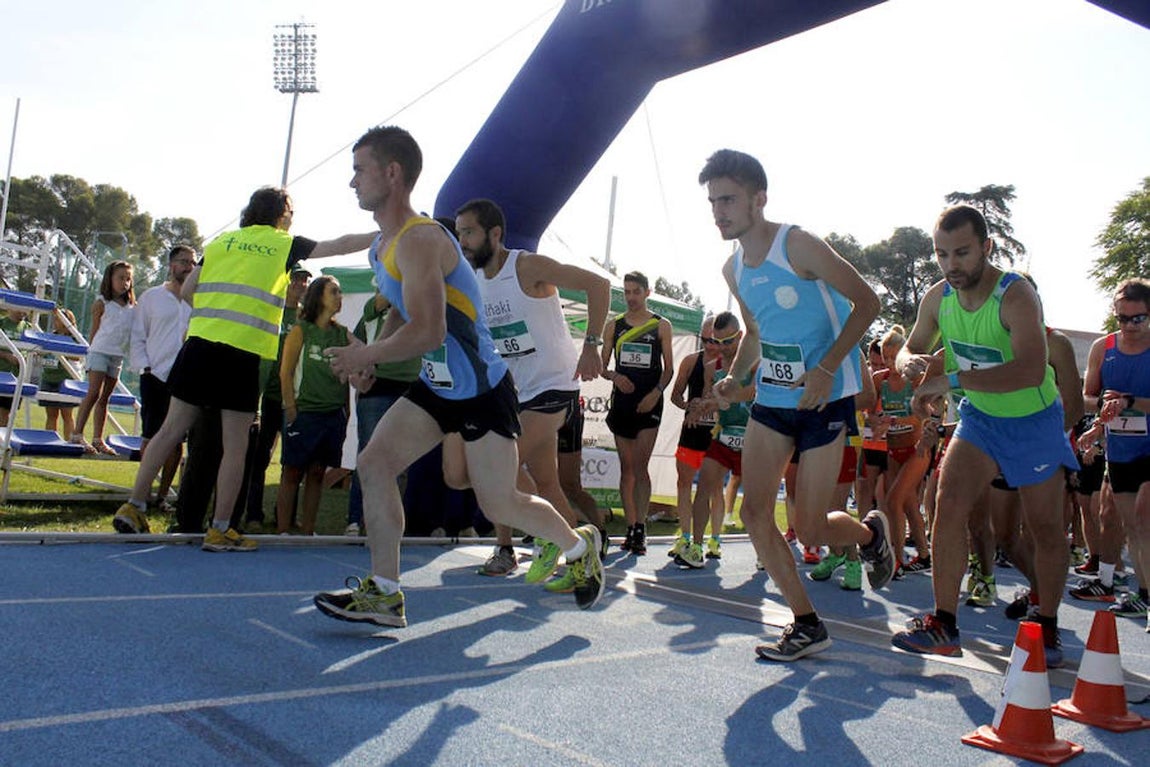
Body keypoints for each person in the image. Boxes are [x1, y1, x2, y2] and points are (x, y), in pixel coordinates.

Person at [314, 126, 603, 627]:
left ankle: (579, 548)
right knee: (375, 463)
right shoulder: (382, 247)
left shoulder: (422, 239)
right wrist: (371, 357)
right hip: (437, 385)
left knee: (500, 502)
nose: (352, 181)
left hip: (482, 390)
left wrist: (369, 355)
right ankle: (385, 593)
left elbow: (431, 329)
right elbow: (404, 309)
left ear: (392, 172)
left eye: (359, 170)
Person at [699, 148, 892, 661]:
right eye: (713, 201)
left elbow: (868, 303)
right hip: (772, 401)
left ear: (759, 199)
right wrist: (736, 378)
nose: (719, 211)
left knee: (811, 528)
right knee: (754, 511)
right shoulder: (733, 269)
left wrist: (826, 368)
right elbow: (756, 332)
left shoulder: (798, 245)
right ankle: (807, 623)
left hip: (824, 401)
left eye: (728, 200)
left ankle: (869, 535)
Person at [111, 186, 375, 549]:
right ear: (281, 214)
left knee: (169, 431)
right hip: (242, 354)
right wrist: (385, 232)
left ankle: (134, 505)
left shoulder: (221, 242)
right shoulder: (284, 244)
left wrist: (214, 313)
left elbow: (187, 291)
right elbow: (341, 244)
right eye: (291, 213)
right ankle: (220, 528)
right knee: (235, 447)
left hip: (199, 346)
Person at [890, 205, 1079, 667]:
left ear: (986, 247)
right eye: (941, 254)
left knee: (1044, 528)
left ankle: (1047, 626)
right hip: (981, 420)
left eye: (962, 253)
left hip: (1033, 421)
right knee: (948, 504)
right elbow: (910, 346)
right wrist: (908, 362)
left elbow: (1029, 370)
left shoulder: (1015, 295)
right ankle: (944, 624)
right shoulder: (938, 297)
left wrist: (950, 381)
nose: (951, 264)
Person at [454, 197, 610, 585]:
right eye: (458, 234)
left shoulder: (527, 266)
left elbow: (598, 284)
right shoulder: (474, 281)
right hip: (515, 392)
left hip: (555, 385)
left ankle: (516, 546)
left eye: (469, 232)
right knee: (545, 483)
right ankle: (578, 548)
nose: (462, 242)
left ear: (494, 234)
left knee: (498, 470)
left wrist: (592, 344)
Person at [1075, 278, 1150, 627]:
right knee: (1132, 526)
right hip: (1120, 448)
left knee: (1144, 516)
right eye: (1123, 318)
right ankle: (1143, 595)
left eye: (1138, 319)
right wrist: (1101, 412)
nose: (1130, 326)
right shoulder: (1102, 348)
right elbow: (1087, 398)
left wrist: (1129, 401)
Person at [276, 275, 355, 535]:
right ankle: (283, 531)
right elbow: (286, 372)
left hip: (332, 414)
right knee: (292, 472)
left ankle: (308, 531)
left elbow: (348, 373)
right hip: (304, 412)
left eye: (340, 292)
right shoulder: (302, 330)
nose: (339, 297)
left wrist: (346, 411)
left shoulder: (341, 334)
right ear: (318, 296)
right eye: (334, 292)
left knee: (318, 472)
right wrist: (290, 408)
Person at [601, 271, 674, 556]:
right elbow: (603, 366)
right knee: (627, 468)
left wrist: (656, 392)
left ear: (647, 293)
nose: (631, 297)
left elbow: (668, 369)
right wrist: (615, 376)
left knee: (641, 467)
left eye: (636, 291)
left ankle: (640, 527)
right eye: (627, 292)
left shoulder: (661, 325)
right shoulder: (614, 325)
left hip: (649, 403)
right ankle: (630, 526)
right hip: (623, 403)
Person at [344, 289, 422, 537]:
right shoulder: (376, 304)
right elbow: (355, 342)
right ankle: (355, 520)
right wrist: (357, 376)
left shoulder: (418, 304)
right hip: (376, 387)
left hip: (409, 388)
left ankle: (388, 524)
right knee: (369, 454)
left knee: (401, 460)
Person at [676, 311, 749, 568]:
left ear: (740, 336)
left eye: (728, 341)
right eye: (716, 341)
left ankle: (764, 552)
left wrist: (719, 401)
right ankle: (696, 547)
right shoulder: (711, 368)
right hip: (723, 435)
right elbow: (710, 398)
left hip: (754, 437)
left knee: (755, 502)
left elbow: (753, 392)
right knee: (704, 487)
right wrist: (698, 408)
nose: (721, 347)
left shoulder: (754, 362)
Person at [130, 245, 195, 512]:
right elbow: (138, 335)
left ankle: (162, 495)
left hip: (185, 379)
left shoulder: (198, 300)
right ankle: (142, 494)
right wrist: (145, 368)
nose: (189, 267)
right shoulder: (152, 297)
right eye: (184, 261)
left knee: (177, 441)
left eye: (193, 262)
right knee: (151, 437)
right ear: (171, 265)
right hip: (155, 376)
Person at [668, 315, 724, 561]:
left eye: (715, 340)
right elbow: (675, 395)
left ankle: (715, 539)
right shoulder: (691, 361)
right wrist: (688, 406)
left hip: (717, 434)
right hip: (692, 431)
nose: (710, 345)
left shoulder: (731, 365)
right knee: (684, 483)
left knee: (714, 489)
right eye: (705, 339)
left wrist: (713, 406)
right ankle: (685, 537)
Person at [71, 260, 135, 455]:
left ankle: (98, 439)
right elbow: (95, 330)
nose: (125, 283)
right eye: (120, 278)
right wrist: (91, 352)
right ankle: (77, 434)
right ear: (110, 279)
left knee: (105, 398)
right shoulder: (102, 303)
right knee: (94, 393)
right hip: (99, 352)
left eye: (128, 279)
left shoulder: (132, 306)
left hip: (117, 356)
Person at [40, 308, 79, 437]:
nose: (55, 321)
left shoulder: (75, 338)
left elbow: (78, 357)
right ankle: (49, 442)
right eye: (55, 318)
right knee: (51, 415)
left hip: (66, 380)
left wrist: (62, 352)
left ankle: (69, 443)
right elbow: (42, 352)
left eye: (58, 319)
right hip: (49, 378)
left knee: (67, 415)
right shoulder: (50, 336)